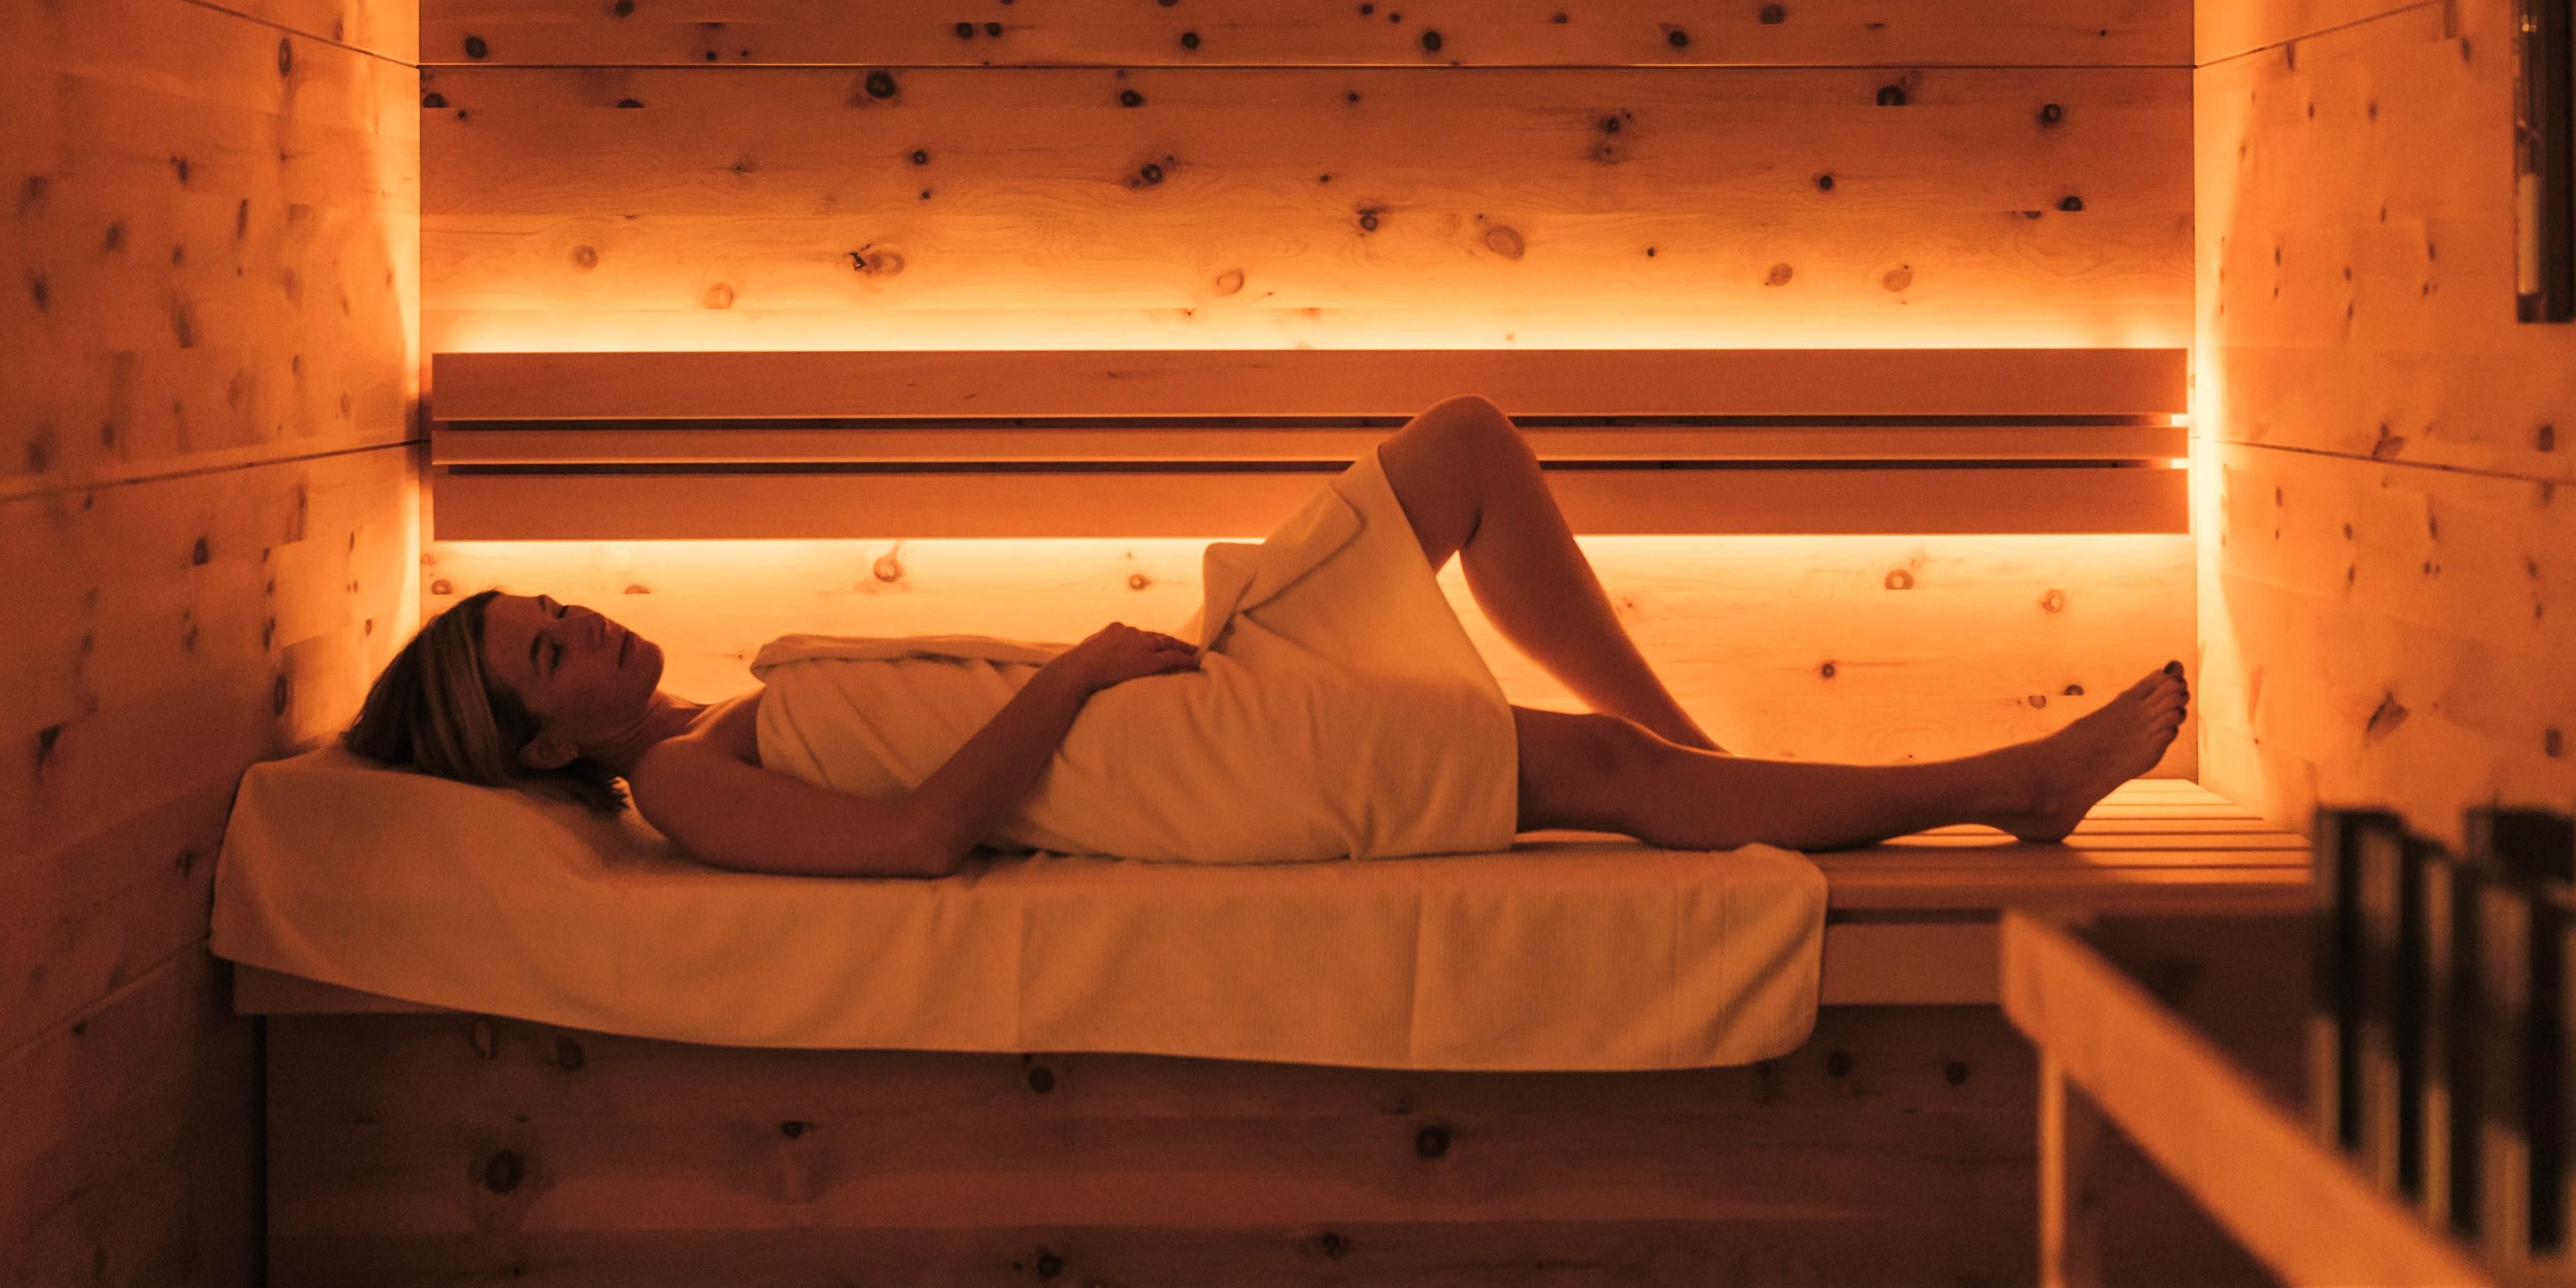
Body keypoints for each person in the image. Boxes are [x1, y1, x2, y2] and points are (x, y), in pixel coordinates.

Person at [348, 396, 2188, 877]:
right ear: (541, 747)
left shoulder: (741, 695)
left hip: (1181, 693)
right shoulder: (684, 787)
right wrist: (1079, 674)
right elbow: (918, 842)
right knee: (1599, 778)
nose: (581, 623)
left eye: (550, 611)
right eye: (544, 655)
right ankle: (2008, 785)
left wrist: (1119, 665)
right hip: (1180, 767)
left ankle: (1729, 772)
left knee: (1462, 448)